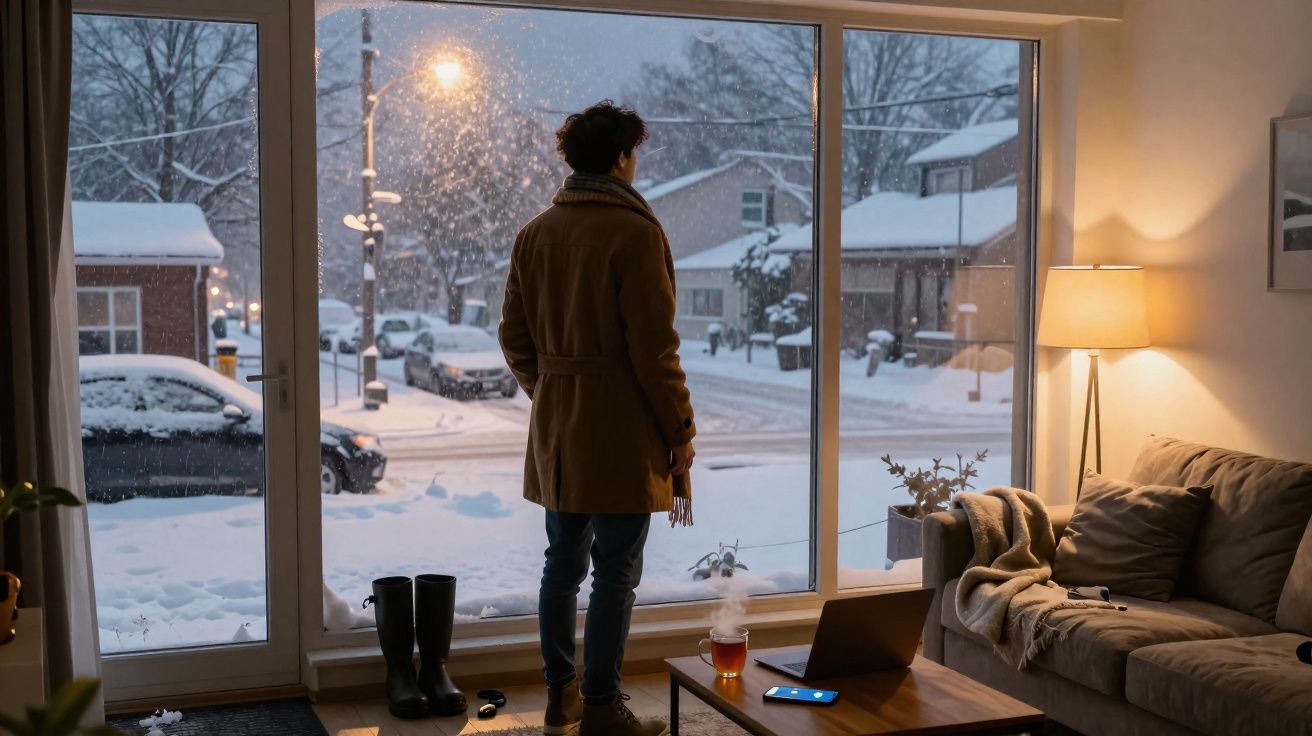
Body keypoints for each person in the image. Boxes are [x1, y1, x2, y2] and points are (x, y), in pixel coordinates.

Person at [499, 101, 696, 736]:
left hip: (560, 431)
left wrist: (553, 390)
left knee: (562, 563)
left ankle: (562, 698)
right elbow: (655, 351)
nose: (636, 165)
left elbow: (514, 338)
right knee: (615, 573)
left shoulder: (534, 234)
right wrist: (680, 433)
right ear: (619, 158)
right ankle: (604, 708)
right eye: (634, 153)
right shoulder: (634, 233)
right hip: (621, 433)